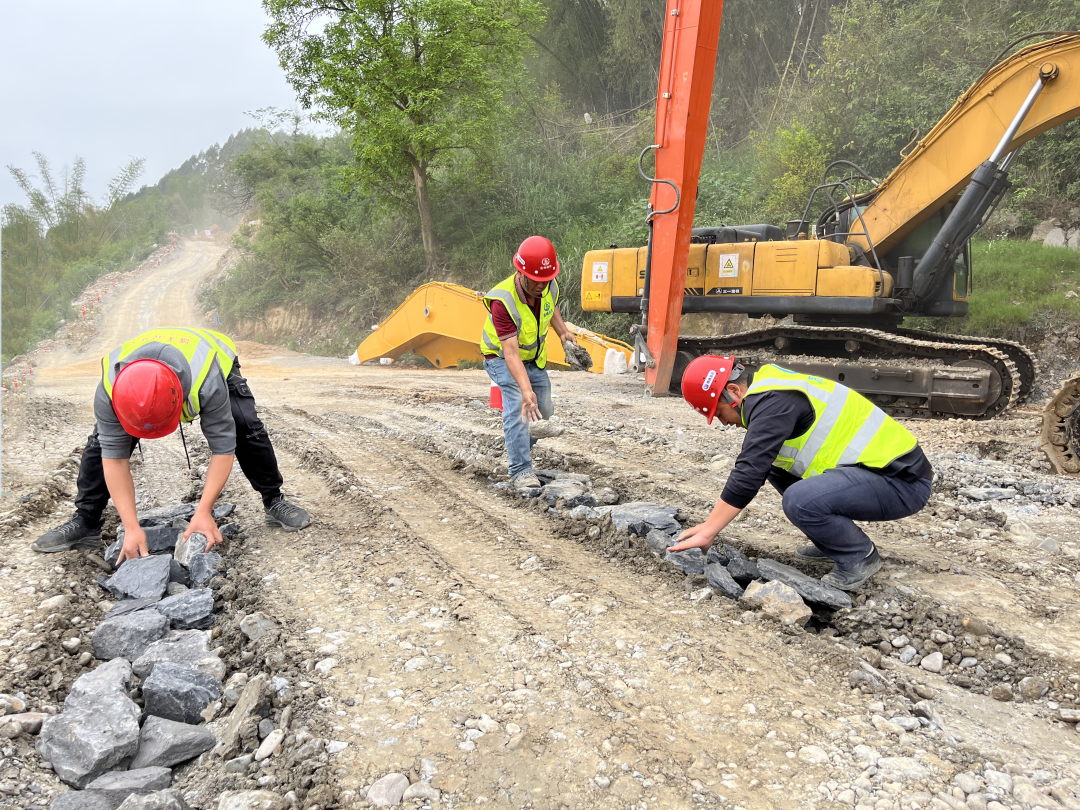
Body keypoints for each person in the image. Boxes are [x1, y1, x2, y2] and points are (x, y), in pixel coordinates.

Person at [33, 327, 311, 562]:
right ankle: (85, 520)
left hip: (214, 359)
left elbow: (222, 448)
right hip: (139, 373)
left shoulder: (206, 381)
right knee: (100, 444)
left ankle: (274, 500)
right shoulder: (110, 388)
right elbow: (114, 459)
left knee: (245, 425)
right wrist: (131, 527)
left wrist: (203, 512)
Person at [669, 356, 933, 590]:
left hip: (902, 482)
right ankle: (832, 539)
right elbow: (757, 464)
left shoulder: (773, 401)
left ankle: (859, 556)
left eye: (719, 412)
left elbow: (748, 470)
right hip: (879, 474)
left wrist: (709, 529)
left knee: (799, 500)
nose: (723, 422)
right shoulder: (773, 387)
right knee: (776, 465)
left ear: (733, 391)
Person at [481, 235, 579, 489]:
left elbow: (551, 306)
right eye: (536, 281)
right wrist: (526, 391)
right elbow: (511, 352)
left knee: (544, 409)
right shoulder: (503, 301)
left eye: (546, 280)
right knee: (519, 406)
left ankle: (519, 440)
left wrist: (563, 333)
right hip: (502, 358)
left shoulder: (548, 285)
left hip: (532, 359)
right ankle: (520, 471)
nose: (541, 286)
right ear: (521, 273)